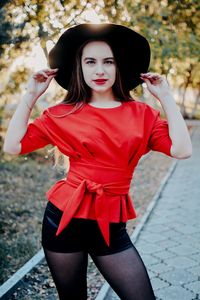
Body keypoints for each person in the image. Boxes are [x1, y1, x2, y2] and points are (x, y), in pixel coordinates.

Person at [3, 23, 192, 300]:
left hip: (111, 224)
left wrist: (166, 98)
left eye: (108, 62)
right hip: (64, 221)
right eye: (90, 62)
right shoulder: (62, 113)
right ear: (79, 67)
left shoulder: (142, 114)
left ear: (119, 67)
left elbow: (182, 150)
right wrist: (30, 96)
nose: (100, 70)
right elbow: (12, 146)